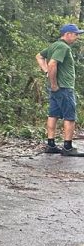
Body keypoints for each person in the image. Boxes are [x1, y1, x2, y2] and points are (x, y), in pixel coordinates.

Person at [37, 24, 83, 155]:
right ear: (67, 34)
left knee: (53, 114)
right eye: (75, 34)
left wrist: (46, 72)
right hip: (63, 87)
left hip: (57, 88)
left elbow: (39, 56)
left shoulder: (54, 45)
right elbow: (52, 63)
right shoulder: (63, 47)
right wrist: (54, 84)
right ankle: (68, 148)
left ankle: (51, 145)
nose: (77, 37)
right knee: (70, 116)